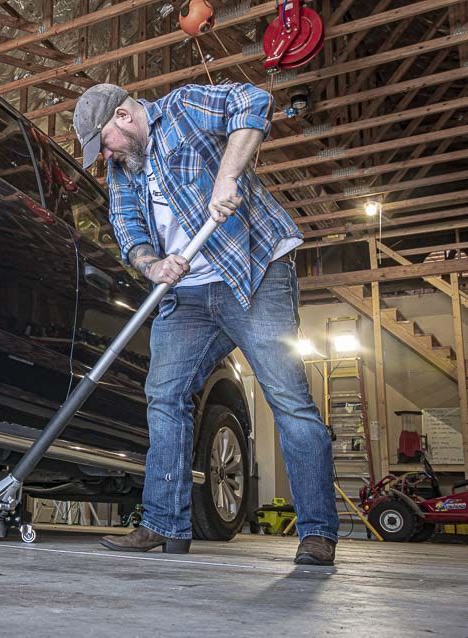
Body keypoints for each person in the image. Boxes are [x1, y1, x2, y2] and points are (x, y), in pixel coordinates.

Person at [72, 83, 338, 566]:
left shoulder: (182, 109)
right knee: (164, 395)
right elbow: (128, 229)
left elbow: (253, 102)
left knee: (288, 399)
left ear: (124, 117)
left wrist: (227, 178)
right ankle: (164, 524)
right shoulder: (122, 168)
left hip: (253, 270)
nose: (105, 155)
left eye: (104, 142)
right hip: (189, 294)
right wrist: (154, 265)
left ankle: (317, 532)